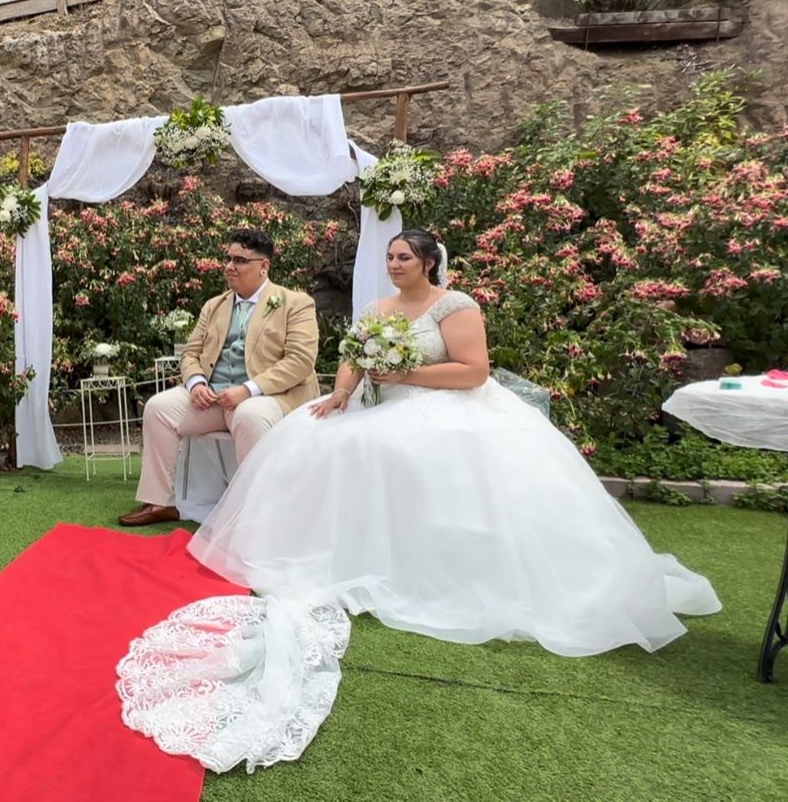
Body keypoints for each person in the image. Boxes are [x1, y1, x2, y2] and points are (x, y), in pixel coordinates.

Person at [189, 228, 722, 655]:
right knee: (313, 431)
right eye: (391, 257)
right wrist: (342, 393)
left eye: (403, 258)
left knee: (400, 449)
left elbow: (474, 372)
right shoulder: (378, 310)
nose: (394, 265)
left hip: (449, 406)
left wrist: (406, 378)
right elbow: (354, 356)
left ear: (427, 263)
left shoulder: (455, 305)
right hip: (384, 405)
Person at [119, 228, 320, 526]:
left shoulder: (295, 303)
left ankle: (258, 513)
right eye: (227, 258)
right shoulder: (214, 305)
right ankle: (160, 502)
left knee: (250, 415)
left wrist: (248, 390)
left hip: (269, 397)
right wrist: (197, 383)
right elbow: (191, 353)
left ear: (263, 266)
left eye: (239, 260)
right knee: (158, 408)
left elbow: (300, 361)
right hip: (213, 397)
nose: (228, 266)